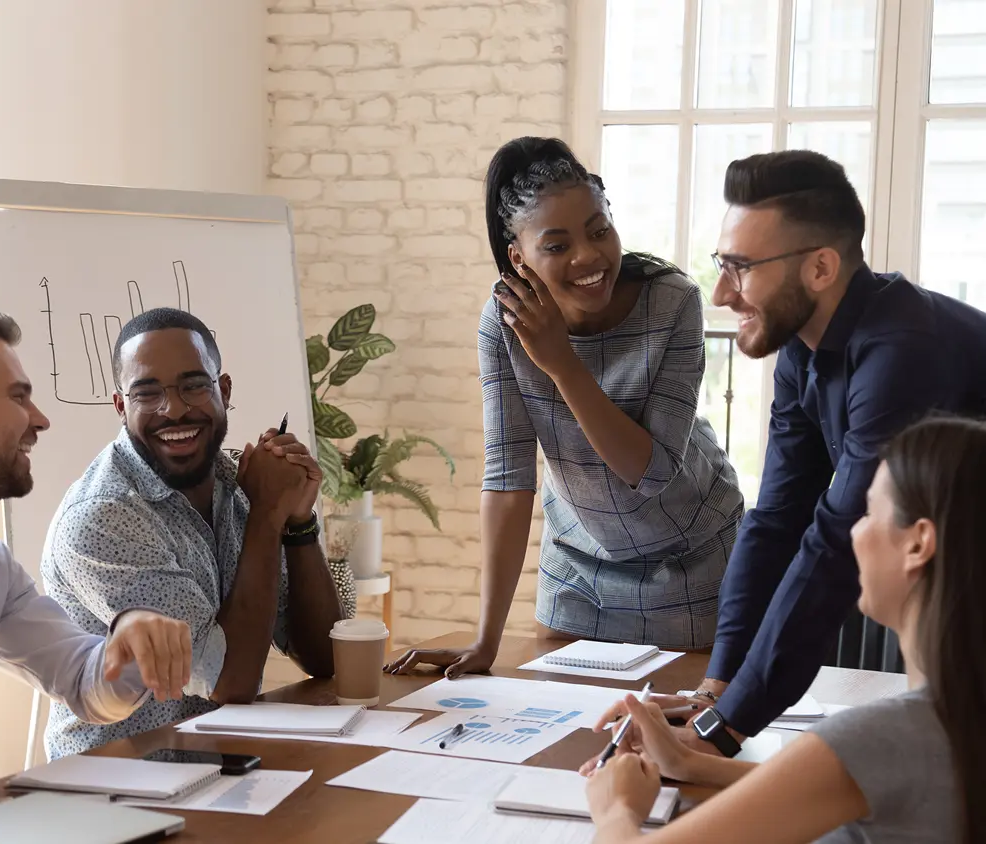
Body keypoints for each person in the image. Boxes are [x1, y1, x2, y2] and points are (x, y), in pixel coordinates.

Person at [387, 137, 743, 677]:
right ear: (518, 257)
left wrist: (562, 364)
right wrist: (485, 642)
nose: (588, 257)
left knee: (677, 744)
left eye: (599, 230)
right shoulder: (502, 323)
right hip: (579, 568)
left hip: (695, 562)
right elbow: (508, 480)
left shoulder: (673, 301)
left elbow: (649, 472)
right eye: (556, 246)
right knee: (558, 741)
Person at [684, 150, 986, 749]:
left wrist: (723, 731)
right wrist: (713, 696)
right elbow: (776, 519)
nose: (720, 293)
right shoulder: (802, 348)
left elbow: (837, 537)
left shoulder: (901, 350)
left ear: (821, 267)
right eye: (723, 263)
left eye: (740, 267)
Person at [583, 415, 985, 844]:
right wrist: (690, 764)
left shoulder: (882, 736)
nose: (853, 531)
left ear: (918, 544)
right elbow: (842, 784)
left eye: (869, 512)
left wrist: (616, 809)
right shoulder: (953, 722)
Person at [41, 308, 344, 757]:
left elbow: (326, 658)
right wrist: (266, 513)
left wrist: (298, 522)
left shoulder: (234, 481)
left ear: (223, 390)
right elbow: (230, 682)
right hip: (121, 784)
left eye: (193, 386)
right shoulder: (103, 517)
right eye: (147, 393)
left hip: (221, 764)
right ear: (121, 406)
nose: (175, 408)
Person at [0, 310, 193, 725]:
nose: (40, 419)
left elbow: (82, 680)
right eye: (17, 396)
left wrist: (131, 644)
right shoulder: (99, 511)